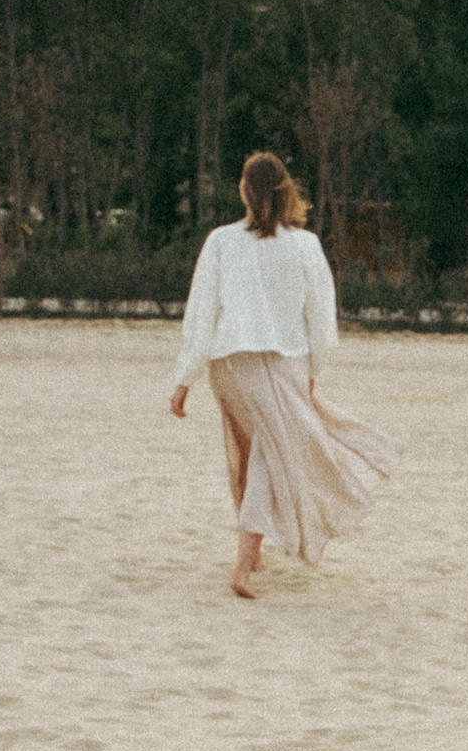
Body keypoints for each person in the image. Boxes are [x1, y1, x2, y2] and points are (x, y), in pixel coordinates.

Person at [168, 151, 401, 599]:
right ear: (286, 191)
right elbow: (321, 318)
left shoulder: (220, 240)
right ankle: (243, 564)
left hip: (230, 367)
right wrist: (315, 369)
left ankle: (250, 552)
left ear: (244, 190)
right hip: (282, 363)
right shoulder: (304, 245)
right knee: (268, 459)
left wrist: (185, 380)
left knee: (250, 451)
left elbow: (200, 317)